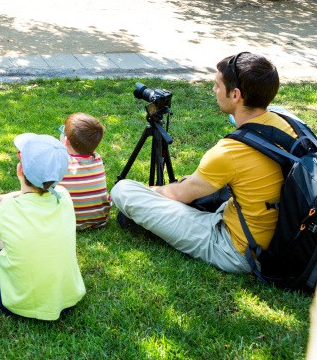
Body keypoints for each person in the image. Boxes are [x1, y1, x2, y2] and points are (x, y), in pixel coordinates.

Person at [112, 52, 295, 274]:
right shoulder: (288, 123)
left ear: (235, 95)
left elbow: (179, 195)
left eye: (217, 85)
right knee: (199, 183)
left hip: (239, 250)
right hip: (286, 235)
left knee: (123, 190)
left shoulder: (229, 153)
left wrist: (150, 191)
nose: (214, 90)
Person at [0, 133, 85, 321]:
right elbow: (43, 191)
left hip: (17, 303)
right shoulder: (64, 196)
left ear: (20, 170)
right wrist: (5, 196)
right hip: (68, 297)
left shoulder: (6, 211)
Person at [58, 113, 110, 230]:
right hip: (99, 220)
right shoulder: (97, 158)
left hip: (67, 222)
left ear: (65, 140)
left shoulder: (61, 162)